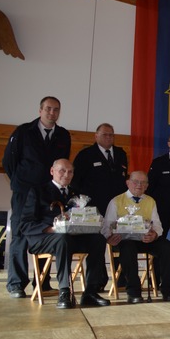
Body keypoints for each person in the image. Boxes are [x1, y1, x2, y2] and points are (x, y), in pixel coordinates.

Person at [3, 96, 71, 298]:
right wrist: (21, 182)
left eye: (56, 109)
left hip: (48, 194)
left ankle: (42, 282)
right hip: (24, 193)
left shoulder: (63, 135)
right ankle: (16, 283)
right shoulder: (23, 131)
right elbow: (9, 162)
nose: (52, 113)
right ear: (40, 110)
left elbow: (61, 163)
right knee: (20, 235)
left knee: (47, 232)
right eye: (48, 109)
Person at [19, 159, 109, 309]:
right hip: (44, 238)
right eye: (62, 170)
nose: (66, 175)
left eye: (70, 171)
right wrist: (52, 229)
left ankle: (91, 292)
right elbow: (26, 223)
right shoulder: (37, 191)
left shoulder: (77, 195)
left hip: (71, 238)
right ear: (52, 171)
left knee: (98, 239)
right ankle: (64, 290)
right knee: (63, 238)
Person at [101, 171, 170, 303]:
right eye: (136, 181)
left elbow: (158, 225)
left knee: (167, 247)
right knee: (128, 248)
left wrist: (154, 235)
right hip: (124, 240)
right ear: (128, 183)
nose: (139, 185)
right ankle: (134, 292)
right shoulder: (116, 201)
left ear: (147, 186)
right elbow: (106, 226)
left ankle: (167, 290)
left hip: (145, 239)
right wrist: (110, 237)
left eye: (143, 182)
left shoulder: (150, 201)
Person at [72, 122, 128, 289]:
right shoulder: (85, 155)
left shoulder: (120, 154)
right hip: (94, 208)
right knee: (96, 243)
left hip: (118, 207)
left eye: (111, 134)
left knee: (120, 239)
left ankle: (122, 279)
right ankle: (96, 282)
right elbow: (76, 183)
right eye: (105, 134)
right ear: (96, 136)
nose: (109, 137)